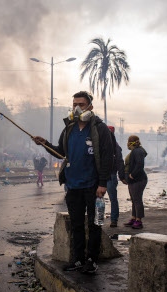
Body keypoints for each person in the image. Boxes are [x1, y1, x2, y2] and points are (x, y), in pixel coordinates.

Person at [32, 91, 113, 274]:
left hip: (93, 187)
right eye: (74, 104)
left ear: (90, 107)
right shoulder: (69, 128)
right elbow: (61, 151)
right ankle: (78, 259)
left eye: (81, 105)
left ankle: (91, 261)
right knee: (76, 225)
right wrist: (45, 143)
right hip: (73, 185)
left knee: (94, 225)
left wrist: (102, 184)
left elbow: (107, 158)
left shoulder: (100, 130)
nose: (77, 108)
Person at [123, 135, 148, 229]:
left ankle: (139, 220)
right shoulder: (136, 151)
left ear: (131, 143)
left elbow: (140, 164)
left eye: (128, 142)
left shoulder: (137, 151)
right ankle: (134, 218)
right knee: (134, 200)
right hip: (134, 180)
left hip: (138, 179)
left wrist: (132, 174)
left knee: (137, 200)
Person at [107, 126, 127, 228]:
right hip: (107, 175)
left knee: (111, 199)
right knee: (111, 199)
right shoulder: (114, 146)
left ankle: (113, 220)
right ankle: (112, 220)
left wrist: (122, 175)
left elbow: (119, 162)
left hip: (110, 175)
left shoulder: (115, 146)